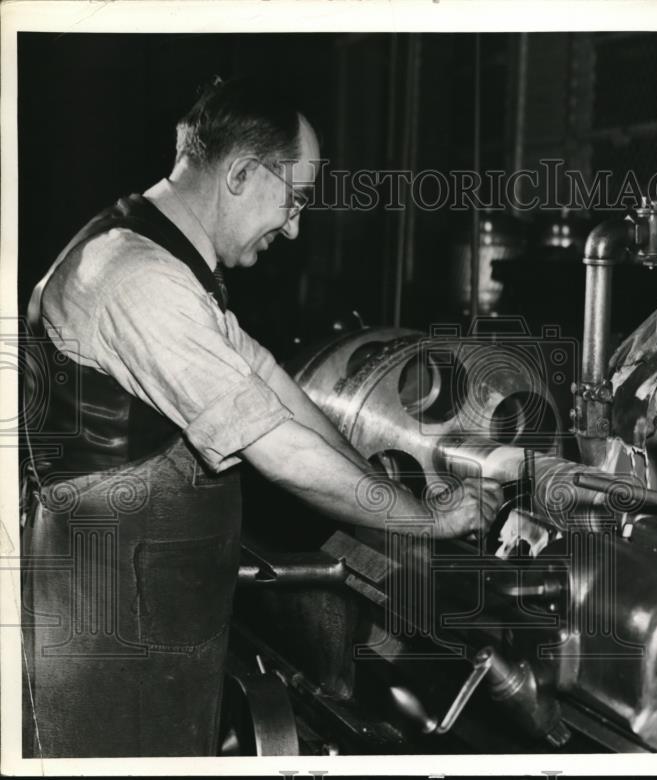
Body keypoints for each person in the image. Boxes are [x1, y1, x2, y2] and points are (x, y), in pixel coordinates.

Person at [20, 76, 502, 758]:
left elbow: (273, 387)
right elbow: (275, 444)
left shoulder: (168, 266)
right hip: (110, 623)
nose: (296, 227)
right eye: (295, 200)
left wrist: (381, 488)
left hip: (144, 608)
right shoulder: (135, 279)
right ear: (242, 172)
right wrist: (426, 519)